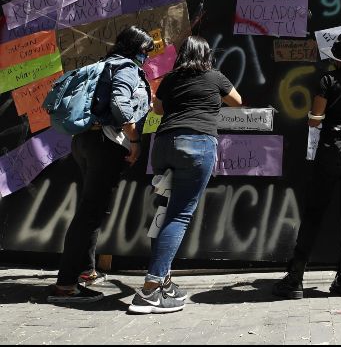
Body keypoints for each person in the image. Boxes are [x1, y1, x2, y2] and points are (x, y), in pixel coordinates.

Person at [128, 35, 242, 314]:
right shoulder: (215, 76)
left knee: (164, 212)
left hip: (164, 144)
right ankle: (150, 290)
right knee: (178, 215)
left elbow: (158, 108)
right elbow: (238, 102)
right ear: (207, 55)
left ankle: (164, 282)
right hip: (197, 144)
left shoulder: (170, 79)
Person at [48, 26, 154, 303]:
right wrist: (134, 140)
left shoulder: (104, 64)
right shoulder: (128, 68)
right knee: (89, 214)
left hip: (84, 142)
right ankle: (65, 286)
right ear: (137, 50)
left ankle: (86, 271)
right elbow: (120, 106)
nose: (147, 58)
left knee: (91, 208)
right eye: (146, 51)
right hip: (106, 145)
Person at [273, 34, 341, 300]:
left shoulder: (327, 81)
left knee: (315, 210)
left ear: (336, 58)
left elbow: (316, 120)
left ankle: (295, 278)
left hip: (334, 148)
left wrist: (313, 116)